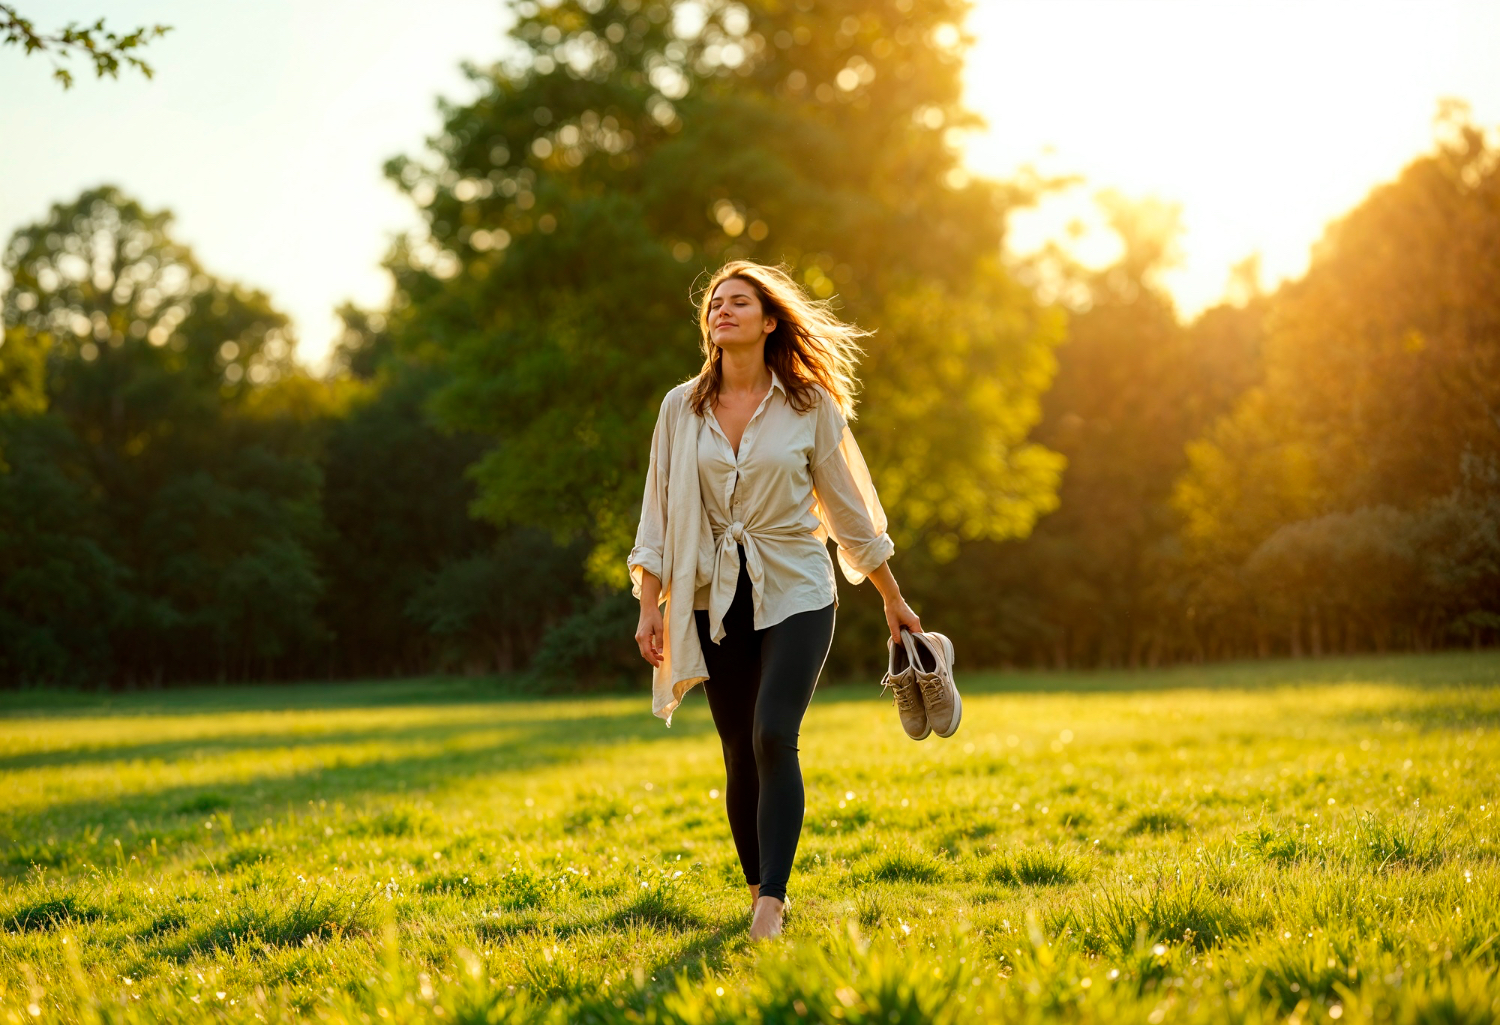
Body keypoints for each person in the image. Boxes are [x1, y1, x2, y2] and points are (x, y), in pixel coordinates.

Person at [627, 260, 922, 941]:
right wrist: (650, 604)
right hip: (711, 594)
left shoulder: (810, 405)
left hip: (796, 586)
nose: (722, 310)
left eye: (739, 302)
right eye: (715, 303)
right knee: (736, 747)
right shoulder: (681, 408)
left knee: (771, 733)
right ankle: (758, 884)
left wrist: (892, 599)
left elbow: (849, 512)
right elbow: (658, 513)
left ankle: (772, 903)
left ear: (768, 321)